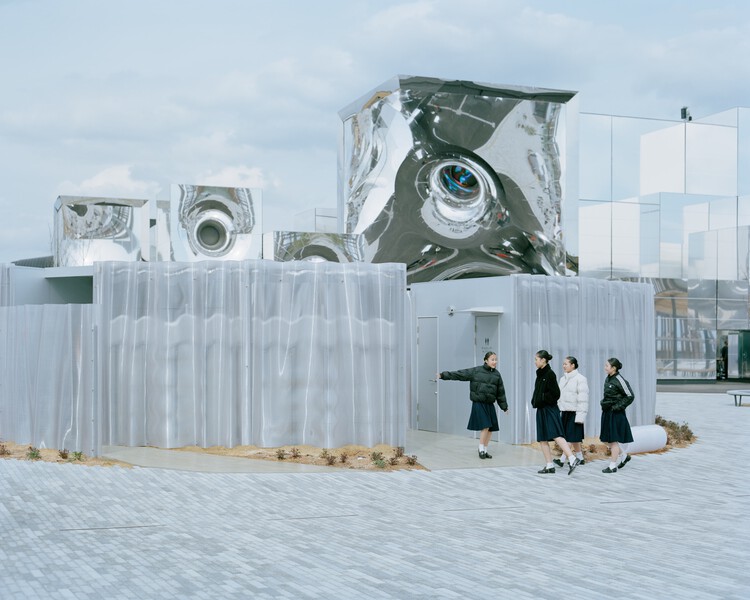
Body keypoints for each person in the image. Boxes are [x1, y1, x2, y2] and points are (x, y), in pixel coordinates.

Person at [438, 351, 509, 459]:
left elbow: (500, 392)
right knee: (485, 426)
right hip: (479, 403)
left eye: (496, 359)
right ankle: (480, 449)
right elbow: (460, 374)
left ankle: (485, 449)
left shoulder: (497, 374)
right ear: (486, 360)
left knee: (491, 429)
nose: (495, 362)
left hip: (490, 404)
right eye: (492, 359)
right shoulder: (476, 371)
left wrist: (504, 407)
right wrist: (443, 375)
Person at [531, 350, 580, 475]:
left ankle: (572, 458)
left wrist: (542, 398)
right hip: (541, 409)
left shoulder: (549, 374)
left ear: (543, 360)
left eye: (536, 359)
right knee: (542, 438)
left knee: (556, 434)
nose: (535, 362)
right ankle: (549, 465)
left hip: (549, 409)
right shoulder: (540, 373)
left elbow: (556, 394)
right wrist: (535, 400)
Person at [600, 357, 635, 473]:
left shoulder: (620, 379)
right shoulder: (609, 378)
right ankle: (624, 456)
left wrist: (616, 407)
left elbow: (630, 396)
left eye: (607, 366)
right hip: (607, 412)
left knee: (613, 440)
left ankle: (612, 466)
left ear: (614, 368)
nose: (605, 368)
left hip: (615, 414)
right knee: (605, 439)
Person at [553, 356, 589, 469]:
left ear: (573, 365)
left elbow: (583, 399)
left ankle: (562, 460)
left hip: (575, 412)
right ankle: (580, 458)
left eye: (566, 364)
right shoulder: (562, 379)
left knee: (569, 437)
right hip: (564, 411)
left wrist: (580, 416)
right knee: (573, 437)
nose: (563, 366)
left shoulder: (580, 379)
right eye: (563, 364)